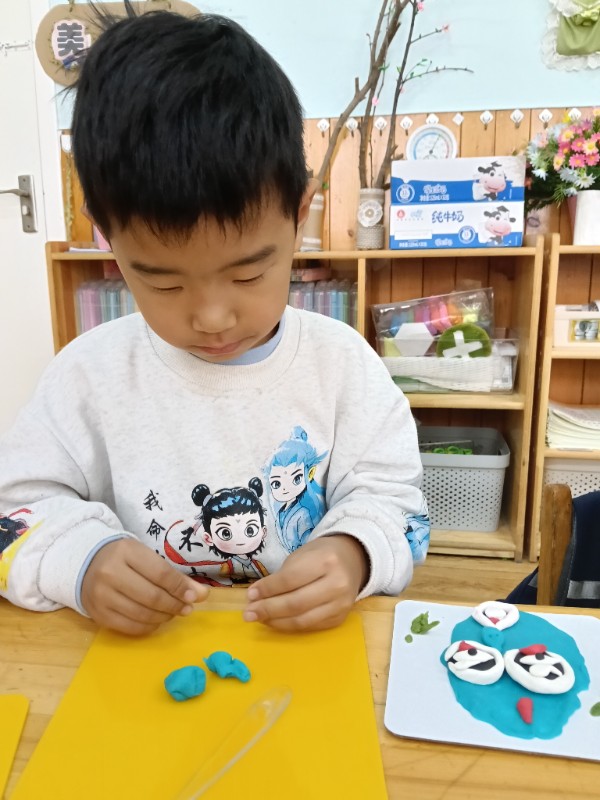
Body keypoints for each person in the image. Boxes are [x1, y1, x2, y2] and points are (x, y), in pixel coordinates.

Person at [0, 3, 429, 636]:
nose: (212, 317)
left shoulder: (342, 366)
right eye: (163, 281)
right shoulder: (87, 376)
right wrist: (80, 560)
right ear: (107, 237)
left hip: (302, 655)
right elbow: (14, 512)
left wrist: (353, 552)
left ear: (299, 216)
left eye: (248, 274)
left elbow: (397, 503)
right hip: (145, 658)